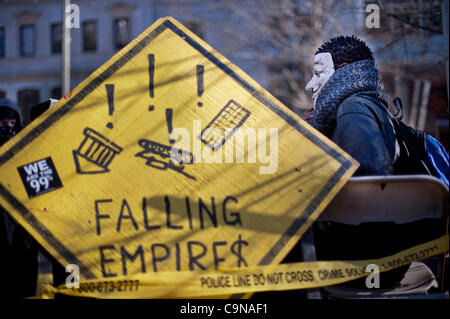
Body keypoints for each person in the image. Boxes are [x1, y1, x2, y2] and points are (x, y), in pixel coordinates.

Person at [302, 36, 440, 290]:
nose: (311, 85)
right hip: (387, 255)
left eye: (318, 72)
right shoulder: (370, 108)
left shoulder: (354, 110)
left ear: (343, 70)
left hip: (365, 259)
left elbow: (369, 183)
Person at [0, 98, 39, 298]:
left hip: (24, 219)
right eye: (2, 123)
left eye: (11, 123)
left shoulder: (27, 146)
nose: (7, 127)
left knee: (25, 267)